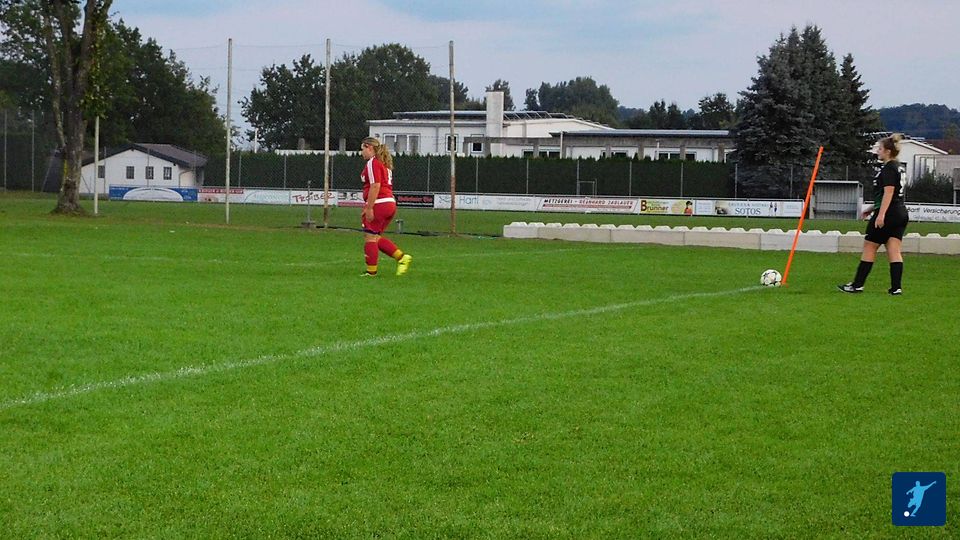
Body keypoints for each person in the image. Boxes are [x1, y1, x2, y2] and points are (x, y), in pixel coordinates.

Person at [838, 134, 909, 295]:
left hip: (889, 213)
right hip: (900, 212)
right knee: (894, 249)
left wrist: (880, 215)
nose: (877, 151)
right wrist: (871, 209)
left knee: (870, 246)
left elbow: (889, 192)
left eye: (880, 149)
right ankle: (896, 288)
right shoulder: (899, 167)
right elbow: (893, 194)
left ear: (888, 151)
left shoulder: (889, 168)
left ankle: (857, 285)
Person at [358, 137, 412, 277]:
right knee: (375, 237)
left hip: (379, 202)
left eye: (363, 149)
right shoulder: (383, 163)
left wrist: (369, 208)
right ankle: (402, 258)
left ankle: (371, 272)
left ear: (369, 147)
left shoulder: (373, 162)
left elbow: (375, 185)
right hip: (389, 203)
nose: (361, 152)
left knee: (370, 237)